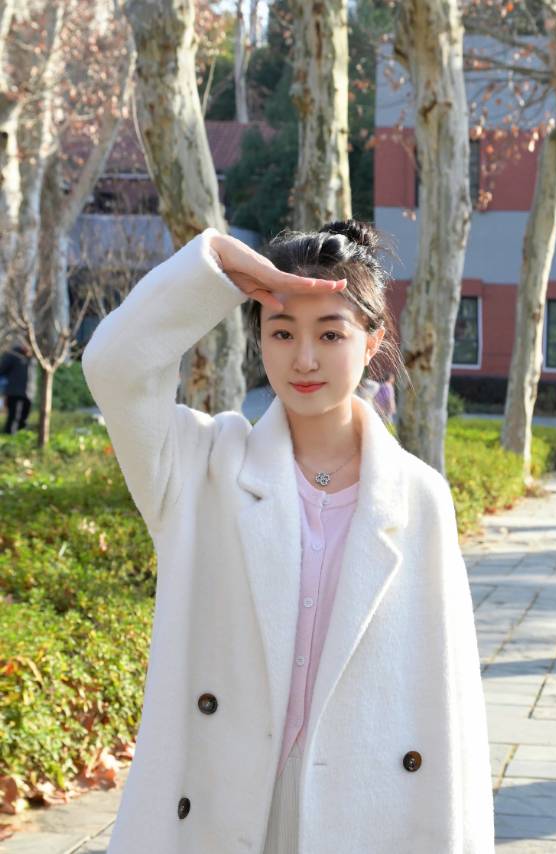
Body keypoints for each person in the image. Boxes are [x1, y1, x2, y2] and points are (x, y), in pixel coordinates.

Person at [81, 221, 495, 854]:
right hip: (223, 800)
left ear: (372, 342)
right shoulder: (202, 468)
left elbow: (448, 704)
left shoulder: (417, 497)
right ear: (260, 341)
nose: (304, 359)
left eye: (330, 333)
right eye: (281, 332)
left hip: (362, 811)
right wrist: (214, 265)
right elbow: (113, 367)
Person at [0, 342, 37, 434]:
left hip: (28, 392)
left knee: (24, 417)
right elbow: (2, 370)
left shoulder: (33, 357)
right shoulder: (13, 355)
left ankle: (21, 436)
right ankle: (9, 435)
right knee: (14, 416)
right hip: (14, 392)